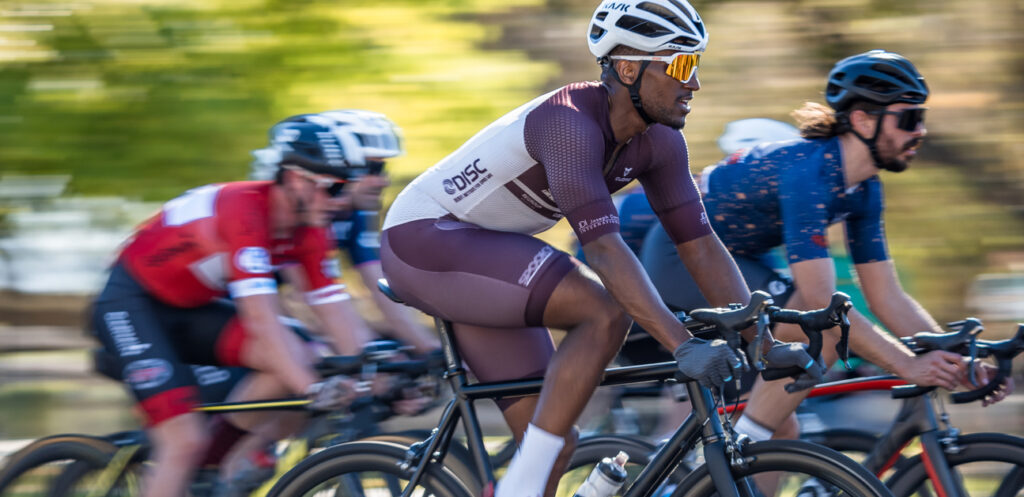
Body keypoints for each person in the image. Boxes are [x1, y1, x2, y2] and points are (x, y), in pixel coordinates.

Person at [378, 1, 819, 496]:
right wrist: (682, 345)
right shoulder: (569, 121)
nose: (693, 82)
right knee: (604, 310)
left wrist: (758, 336)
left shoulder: (662, 142)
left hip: (481, 257)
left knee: (551, 442)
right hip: (423, 240)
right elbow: (605, 251)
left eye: (695, 65)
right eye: (679, 64)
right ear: (628, 67)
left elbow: (699, 244)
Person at [639, 50, 1013, 452]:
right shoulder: (811, 174)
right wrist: (907, 364)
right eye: (908, 119)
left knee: (784, 433)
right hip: (680, 257)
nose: (919, 131)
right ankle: (736, 449)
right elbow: (819, 301)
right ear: (863, 120)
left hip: (741, 259)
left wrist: (956, 359)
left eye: (921, 118)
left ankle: (735, 454)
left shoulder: (863, 189)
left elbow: (887, 296)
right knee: (826, 325)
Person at [89, 119, 375, 497]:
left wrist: (375, 375)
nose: (342, 203)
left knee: (300, 360)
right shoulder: (244, 209)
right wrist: (315, 388)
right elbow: (262, 318)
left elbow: (337, 312)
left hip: (191, 309)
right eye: (335, 188)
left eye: (347, 189)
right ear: (294, 180)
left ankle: (221, 467)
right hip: (131, 304)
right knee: (183, 441)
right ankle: (196, 459)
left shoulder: (310, 229)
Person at [253, 110, 441, 355]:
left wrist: (429, 348)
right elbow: (306, 298)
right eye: (371, 169)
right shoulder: (300, 213)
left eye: (382, 169)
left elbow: (378, 286)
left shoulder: (356, 214)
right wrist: (367, 351)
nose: (382, 181)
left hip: (283, 311)